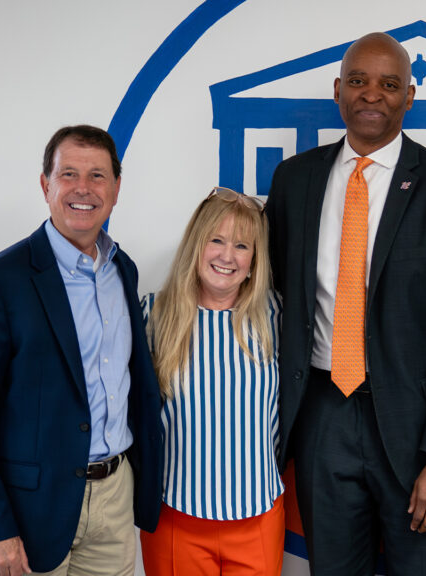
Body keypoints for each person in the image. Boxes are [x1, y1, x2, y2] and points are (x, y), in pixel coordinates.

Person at [265, 31, 426, 576]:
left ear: (409, 97)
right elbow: (270, 298)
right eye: (358, 81)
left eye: (389, 84)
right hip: (321, 413)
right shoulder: (294, 179)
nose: (372, 94)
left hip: (416, 429)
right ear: (337, 90)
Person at [0, 125, 163, 576]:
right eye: (69, 174)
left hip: (115, 499)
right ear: (46, 185)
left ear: (116, 188)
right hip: (32, 510)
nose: (84, 188)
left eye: (97, 175)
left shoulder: (122, 270)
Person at [139, 188, 284, 575]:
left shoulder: (276, 315)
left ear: (254, 261)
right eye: (216, 240)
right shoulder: (154, 314)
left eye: (242, 245)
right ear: (196, 245)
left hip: (258, 515)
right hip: (175, 517)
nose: (227, 256)